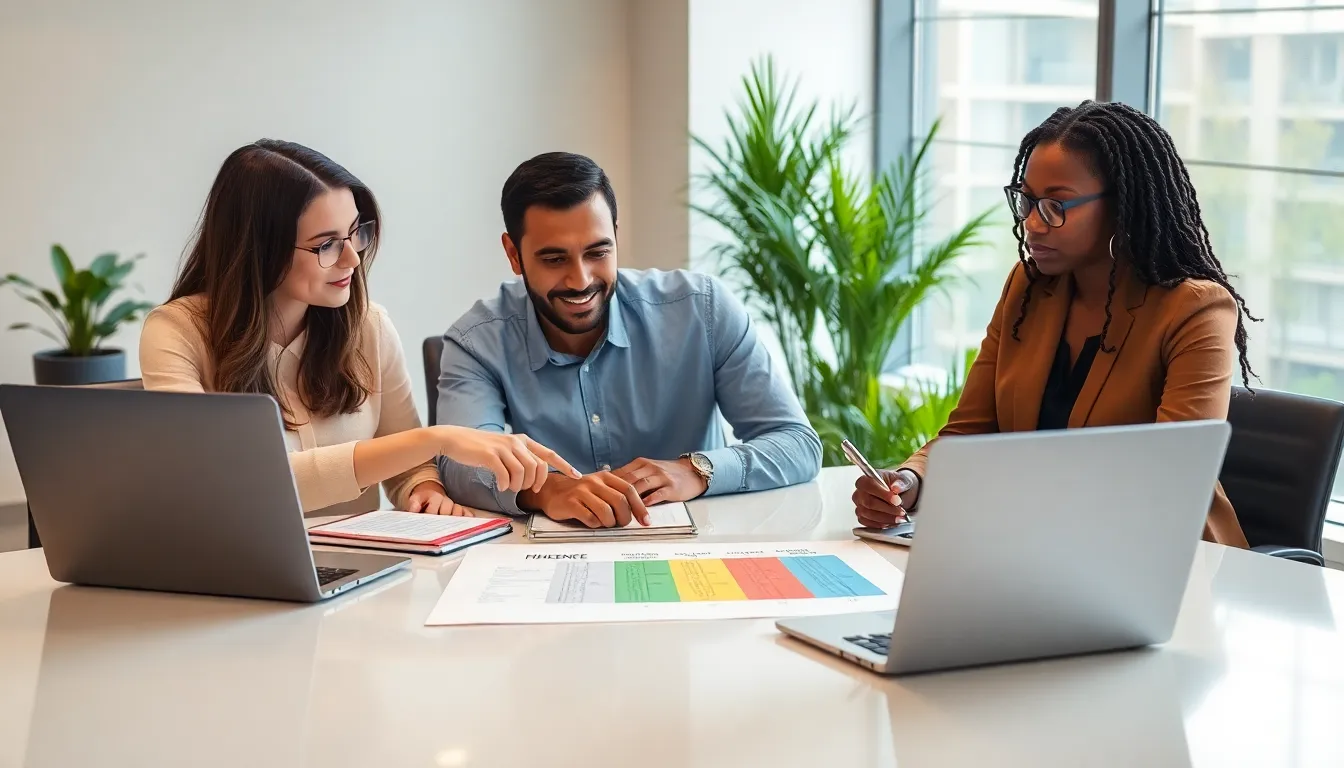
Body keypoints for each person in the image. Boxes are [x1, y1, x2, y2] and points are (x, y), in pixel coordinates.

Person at [852, 101, 1254, 547]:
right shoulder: (1029, 288)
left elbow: (1170, 479)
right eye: (1027, 201)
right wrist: (911, 481)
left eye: (1056, 205)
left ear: (1122, 206)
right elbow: (970, 431)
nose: (1032, 223)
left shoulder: (1194, 310)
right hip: (1035, 545)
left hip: (1165, 556)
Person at [140, 140, 577, 517]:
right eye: (327, 245)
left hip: (360, 571)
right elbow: (230, 478)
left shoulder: (368, 326)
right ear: (260, 249)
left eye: (355, 233)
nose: (352, 258)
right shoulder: (176, 332)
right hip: (237, 573)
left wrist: (424, 490)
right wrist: (437, 439)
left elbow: (408, 467)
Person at [436, 151, 821, 528]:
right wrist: (549, 489)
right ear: (514, 254)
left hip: (698, 552)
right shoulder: (477, 341)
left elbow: (796, 443)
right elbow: (458, 464)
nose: (581, 280)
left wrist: (696, 470)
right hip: (551, 556)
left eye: (597, 252)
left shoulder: (703, 310)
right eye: (554, 259)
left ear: (616, 236)